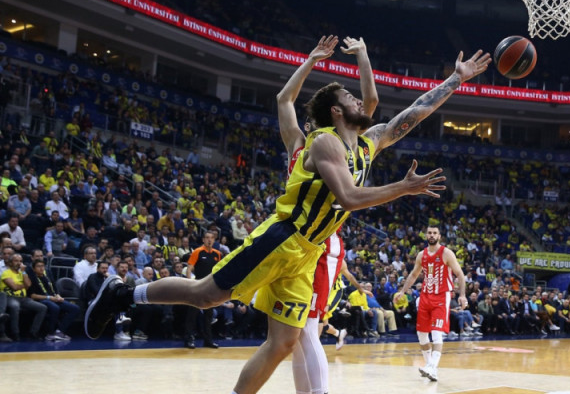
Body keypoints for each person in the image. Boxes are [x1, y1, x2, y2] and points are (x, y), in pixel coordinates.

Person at [85, 42, 490, 394]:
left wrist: (456, 79)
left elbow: (416, 111)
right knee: (206, 295)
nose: (361, 101)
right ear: (337, 111)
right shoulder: (324, 142)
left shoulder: (369, 142)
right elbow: (348, 197)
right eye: (350, 98)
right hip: (283, 237)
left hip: (308, 253)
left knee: (283, 343)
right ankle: (124, 294)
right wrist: (403, 187)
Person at [277, 35, 379, 394]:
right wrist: (311, 60)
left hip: (322, 241)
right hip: (293, 241)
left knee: (306, 329)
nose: (311, 127)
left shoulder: (338, 142)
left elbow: (369, 103)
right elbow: (284, 99)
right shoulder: (299, 146)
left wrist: (362, 55)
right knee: (292, 338)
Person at [394, 225, 468, 382]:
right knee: (421, 334)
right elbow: (414, 275)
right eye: (429, 233)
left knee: (436, 332)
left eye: (435, 233)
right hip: (425, 296)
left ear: (439, 236)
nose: (432, 235)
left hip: (441, 296)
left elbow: (460, 274)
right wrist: (402, 291)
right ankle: (430, 367)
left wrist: (462, 295)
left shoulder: (446, 253)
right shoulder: (422, 255)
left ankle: (432, 367)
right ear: (426, 235)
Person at [184, 231, 222, 349]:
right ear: (203, 240)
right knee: (192, 314)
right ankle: (189, 339)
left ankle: (208, 340)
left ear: (214, 240)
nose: (209, 240)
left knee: (208, 315)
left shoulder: (217, 254)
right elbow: (189, 269)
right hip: (198, 286)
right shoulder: (197, 252)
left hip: (210, 287)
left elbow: (218, 270)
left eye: (211, 238)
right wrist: (189, 283)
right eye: (207, 238)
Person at [27, 258, 81, 341]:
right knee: (55, 307)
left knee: (75, 308)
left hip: (53, 298)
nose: (41, 268)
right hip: (41, 299)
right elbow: (32, 296)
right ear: (34, 269)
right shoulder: (31, 278)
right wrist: (49, 297)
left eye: (42, 266)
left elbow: (55, 289)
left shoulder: (47, 276)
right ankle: (50, 333)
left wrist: (58, 296)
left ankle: (59, 331)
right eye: (38, 266)